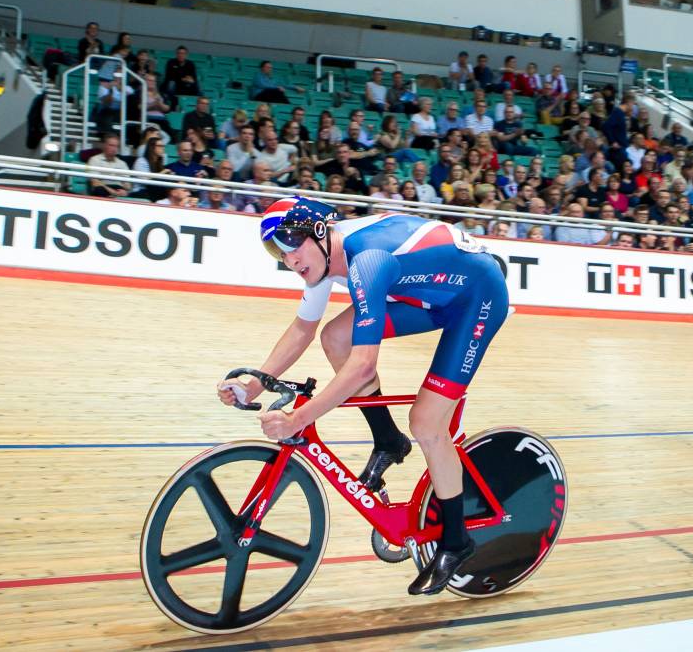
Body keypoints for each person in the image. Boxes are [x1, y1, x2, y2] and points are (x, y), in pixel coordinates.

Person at [218, 198, 510, 596]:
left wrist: (296, 421)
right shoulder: (323, 259)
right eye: (277, 251)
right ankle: (388, 440)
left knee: (427, 422)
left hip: (477, 298)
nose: (289, 259)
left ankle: (457, 542)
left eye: (292, 245)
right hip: (425, 292)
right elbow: (304, 328)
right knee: (334, 336)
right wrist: (257, 381)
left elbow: (362, 367)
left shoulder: (366, 261)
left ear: (319, 232)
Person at [87, 133, 130, 197]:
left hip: (118, 189)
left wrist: (126, 191)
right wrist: (113, 192)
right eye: (111, 145)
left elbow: (127, 185)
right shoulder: (94, 160)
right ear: (104, 145)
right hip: (103, 188)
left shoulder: (122, 163)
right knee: (99, 189)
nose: (114, 149)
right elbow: (94, 182)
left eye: (116, 146)